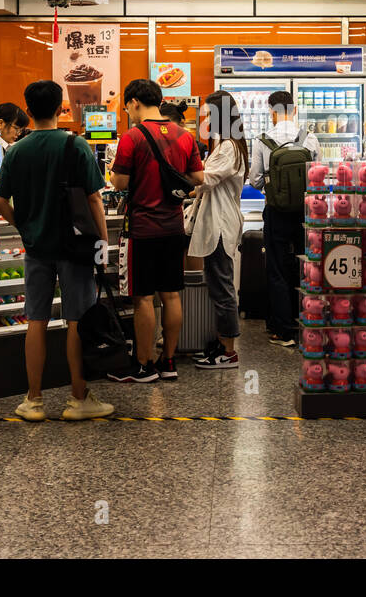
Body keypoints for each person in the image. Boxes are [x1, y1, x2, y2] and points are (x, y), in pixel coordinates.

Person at [0, 81, 114, 422]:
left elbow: (0, 202)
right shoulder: (76, 145)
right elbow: (94, 199)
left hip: (37, 248)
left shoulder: (16, 150)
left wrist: (25, 227)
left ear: (27, 112)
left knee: (36, 319)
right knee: (77, 320)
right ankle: (78, 398)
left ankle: (33, 400)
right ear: (62, 108)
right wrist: (102, 244)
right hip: (74, 247)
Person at [109, 78, 204, 383]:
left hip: (143, 228)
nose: (129, 113)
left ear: (134, 102)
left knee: (143, 299)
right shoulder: (184, 135)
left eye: (128, 107)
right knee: (172, 296)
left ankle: (144, 365)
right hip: (174, 227)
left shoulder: (132, 137)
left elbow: (119, 183)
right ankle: (169, 361)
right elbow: (197, 177)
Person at [249, 89, 320, 347]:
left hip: (276, 212)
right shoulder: (309, 139)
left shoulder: (262, 140)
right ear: (295, 109)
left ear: (272, 112)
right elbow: (317, 177)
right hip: (307, 214)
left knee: (277, 268)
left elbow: (255, 180)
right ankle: (309, 325)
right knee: (306, 267)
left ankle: (283, 330)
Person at [190, 90, 249, 369]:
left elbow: (205, 180)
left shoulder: (229, 148)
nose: (204, 119)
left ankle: (229, 351)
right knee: (216, 284)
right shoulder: (226, 144)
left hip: (221, 225)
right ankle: (221, 343)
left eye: (208, 114)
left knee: (223, 287)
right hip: (219, 222)